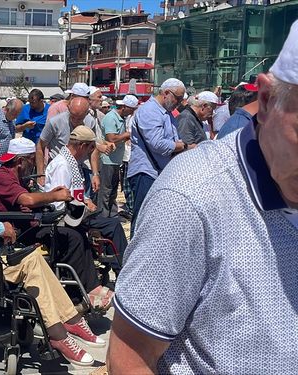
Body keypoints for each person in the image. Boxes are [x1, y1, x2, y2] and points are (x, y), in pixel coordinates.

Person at [107, 21, 298, 373]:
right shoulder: (190, 195)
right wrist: (184, 147)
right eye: (180, 99)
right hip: (149, 174)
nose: (188, 105)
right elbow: (129, 356)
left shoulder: (167, 116)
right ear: (267, 100)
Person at [0, 126, 105, 367]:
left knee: (33, 257)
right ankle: (61, 331)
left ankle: (69, 322)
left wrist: (2, 231)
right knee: (33, 264)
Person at [0, 137, 113, 310]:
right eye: (31, 160)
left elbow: (31, 198)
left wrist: (49, 194)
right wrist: (55, 196)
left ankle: (88, 288)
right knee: (71, 237)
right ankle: (80, 294)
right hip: (16, 230)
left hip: (27, 223)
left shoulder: (16, 177)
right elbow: (28, 200)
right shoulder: (0, 176)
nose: (34, 164)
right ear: (20, 160)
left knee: (78, 232)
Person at [44, 126, 128, 275]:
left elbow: (73, 191)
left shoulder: (71, 162)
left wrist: (86, 200)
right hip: (67, 219)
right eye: (90, 148)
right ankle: (123, 271)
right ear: (82, 146)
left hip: (76, 213)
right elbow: (58, 201)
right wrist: (83, 206)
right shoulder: (62, 165)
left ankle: (119, 267)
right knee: (112, 226)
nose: (91, 152)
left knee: (108, 222)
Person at [126, 78, 194, 236]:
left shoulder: (167, 114)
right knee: (144, 217)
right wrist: (183, 146)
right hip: (146, 172)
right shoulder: (150, 111)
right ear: (166, 93)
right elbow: (157, 144)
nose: (179, 102)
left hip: (159, 171)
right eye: (177, 98)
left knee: (155, 219)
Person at [35, 96, 97, 188]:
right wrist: (40, 174)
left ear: (87, 113)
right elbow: (40, 146)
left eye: (79, 118)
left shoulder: (90, 122)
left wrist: (95, 174)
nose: (75, 121)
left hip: (80, 168)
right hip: (59, 168)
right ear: (68, 108)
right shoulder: (55, 122)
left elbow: (93, 148)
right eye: (73, 116)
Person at [97, 95, 138, 218]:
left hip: (116, 160)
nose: (132, 112)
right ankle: (103, 216)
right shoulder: (111, 118)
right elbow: (111, 138)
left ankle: (112, 214)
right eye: (131, 109)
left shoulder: (121, 118)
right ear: (124, 107)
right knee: (106, 190)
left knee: (113, 190)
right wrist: (126, 135)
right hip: (108, 159)